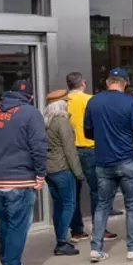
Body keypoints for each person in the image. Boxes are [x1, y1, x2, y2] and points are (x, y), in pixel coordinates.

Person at [0, 79, 47, 265]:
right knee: (18, 226)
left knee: (6, 225)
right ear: (31, 97)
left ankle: (7, 263)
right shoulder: (31, 113)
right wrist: (40, 174)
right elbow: (39, 146)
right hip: (20, 178)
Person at [84, 68, 133, 262]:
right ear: (125, 82)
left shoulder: (93, 101)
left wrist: (103, 139)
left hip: (103, 160)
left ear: (107, 82)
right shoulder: (130, 102)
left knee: (102, 204)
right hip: (127, 159)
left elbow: (87, 132)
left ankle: (96, 247)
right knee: (132, 205)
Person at [42, 90, 82, 256]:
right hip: (62, 169)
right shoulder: (62, 121)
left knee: (58, 205)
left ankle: (59, 237)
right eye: (66, 101)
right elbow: (69, 149)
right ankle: (61, 242)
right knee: (68, 204)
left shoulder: (45, 121)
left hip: (48, 169)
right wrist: (79, 172)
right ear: (61, 104)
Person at [64, 72, 97, 243]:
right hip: (90, 148)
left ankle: (76, 230)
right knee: (96, 190)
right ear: (83, 83)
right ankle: (99, 228)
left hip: (69, 151)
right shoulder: (90, 100)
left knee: (73, 193)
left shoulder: (63, 102)